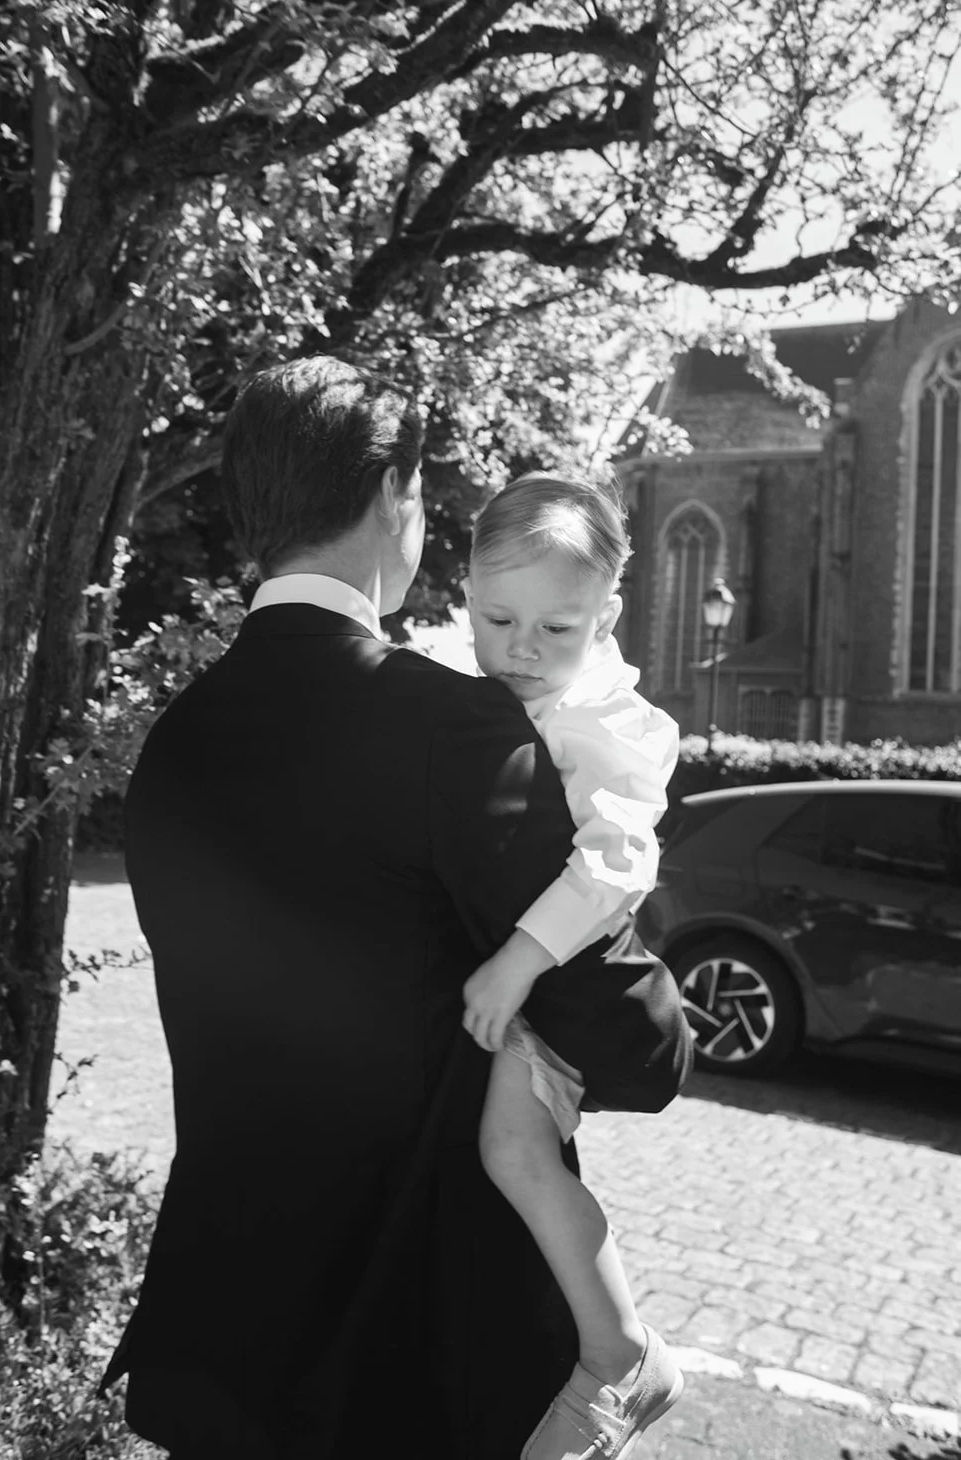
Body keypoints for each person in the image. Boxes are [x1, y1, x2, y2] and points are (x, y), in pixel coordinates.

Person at [99, 356, 691, 1459]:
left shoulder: (174, 745)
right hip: (413, 1341)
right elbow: (637, 1044)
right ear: (393, 495)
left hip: (224, 1333)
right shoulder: (451, 726)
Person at [460, 472, 683, 1460]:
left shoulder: (604, 720)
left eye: (556, 629)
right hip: (523, 988)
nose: (521, 648)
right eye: (497, 619)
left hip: (563, 988)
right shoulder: (473, 685)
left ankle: (619, 1353)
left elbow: (617, 862)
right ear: (465, 591)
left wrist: (518, 958)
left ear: (606, 618)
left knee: (511, 1152)